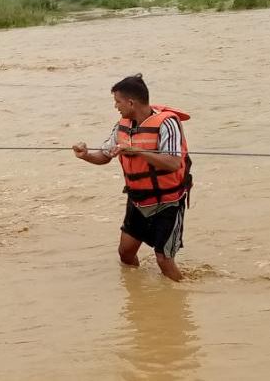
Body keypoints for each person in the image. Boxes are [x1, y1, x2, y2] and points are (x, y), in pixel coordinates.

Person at [72, 74, 192, 281]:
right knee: (125, 253)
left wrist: (136, 150)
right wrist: (86, 156)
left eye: (117, 101)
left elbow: (173, 163)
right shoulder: (122, 126)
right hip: (138, 200)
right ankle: (139, 293)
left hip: (168, 202)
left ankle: (181, 298)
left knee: (163, 260)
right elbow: (105, 155)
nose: (116, 107)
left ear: (131, 102)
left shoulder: (168, 124)